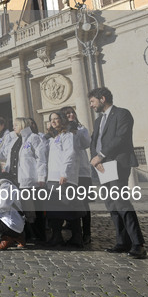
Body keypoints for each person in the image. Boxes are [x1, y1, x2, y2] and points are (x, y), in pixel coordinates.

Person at [89, 87, 146, 258]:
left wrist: (101, 155)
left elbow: (121, 137)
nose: (91, 105)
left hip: (117, 163)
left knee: (121, 202)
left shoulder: (122, 114)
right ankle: (122, 242)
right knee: (111, 204)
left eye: (93, 101)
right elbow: (94, 142)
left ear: (103, 98)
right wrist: (95, 159)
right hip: (102, 166)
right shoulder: (99, 121)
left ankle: (138, 244)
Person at [5, 117, 47, 242]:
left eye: (16, 125)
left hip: (28, 180)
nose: (13, 127)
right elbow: (9, 160)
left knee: (33, 210)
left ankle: (39, 235)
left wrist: (41, 176)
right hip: (14, 180)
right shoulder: (14, 141)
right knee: (21, 209)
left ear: (23, 125)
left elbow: (41, 159)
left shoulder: (34, 138)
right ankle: (26, 234)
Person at [46, 111, 84, 248]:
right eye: (51, 120)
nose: (54, 122)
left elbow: (70, 154)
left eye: (56, 119)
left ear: (62, 120)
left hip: (63, 178)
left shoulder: (68, 136)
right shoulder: (55, 137)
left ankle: (77, 238)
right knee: (55, 209)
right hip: (52, 178)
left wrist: (65, 173)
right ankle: (57, 237)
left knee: (69, 207)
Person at [61, 105, 93, 244]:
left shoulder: (81, 129)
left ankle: (87, 233)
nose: (71, 115)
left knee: (84, 203)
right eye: (67, 114)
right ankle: (74, 231)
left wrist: (75, 132)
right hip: (68, 172)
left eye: (72, 113)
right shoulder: (61, 131)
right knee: (70, 202)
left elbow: (86, 144)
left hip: (82, 172)